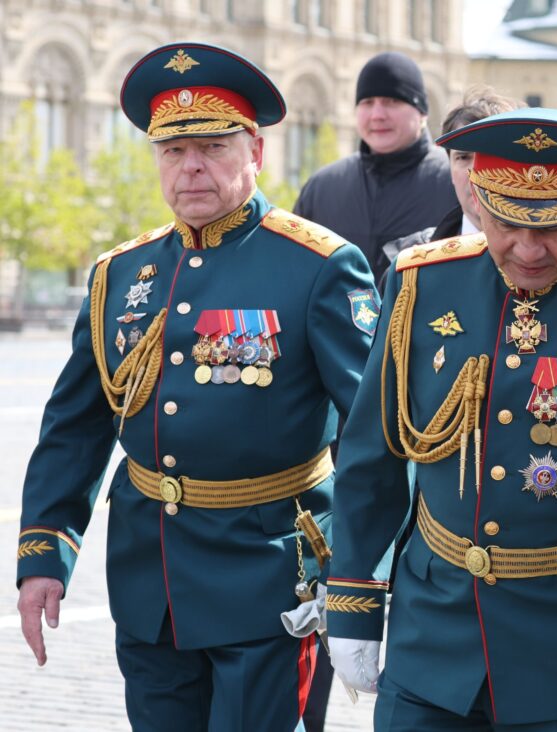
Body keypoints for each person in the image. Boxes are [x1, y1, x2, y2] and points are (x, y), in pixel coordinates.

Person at [15, 42, 376, 731]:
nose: (191, 168)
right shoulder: (121, 275)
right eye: (172, 152)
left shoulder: (319, 267)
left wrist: (359, 582)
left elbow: (371, 438)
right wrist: (44, 553)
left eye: (212, 147)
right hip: (151, 580)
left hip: (269, 580)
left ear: (256, 153)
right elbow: (76, 427)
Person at [323, 108, 557, 730]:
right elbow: (372, 457)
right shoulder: (422, 284)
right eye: (505, 223)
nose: (527, 249)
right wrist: (355, 603)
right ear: (475, 199)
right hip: (430, 637)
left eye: (553, 227)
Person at [293, 51, 458, 281]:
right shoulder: (322, 188)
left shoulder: (454, 182)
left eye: (392, 102)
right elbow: (296, 271)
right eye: (367, 102)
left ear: (422, 112)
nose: (377, 115)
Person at [380, 85, 523, 267]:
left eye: (490, 158)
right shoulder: (409, 264)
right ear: (450, 168)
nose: (475, 172)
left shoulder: (544, 260)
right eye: (463, 157)